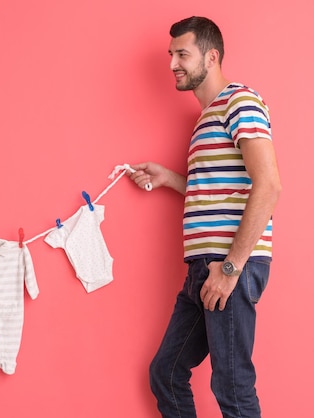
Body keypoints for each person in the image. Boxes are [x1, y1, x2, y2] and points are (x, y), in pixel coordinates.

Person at [128, 16, 281, 418]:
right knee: (167, 371)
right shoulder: (204, 120)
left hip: (228, 266)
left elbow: (269, 185)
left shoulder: (239, 101)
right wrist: (169, 178)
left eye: (182, 54)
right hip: (202, 268)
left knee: (232, 385)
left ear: (211, 57)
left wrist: (230, 268)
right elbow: (218, 191)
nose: (172, 64)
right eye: (170, 54)